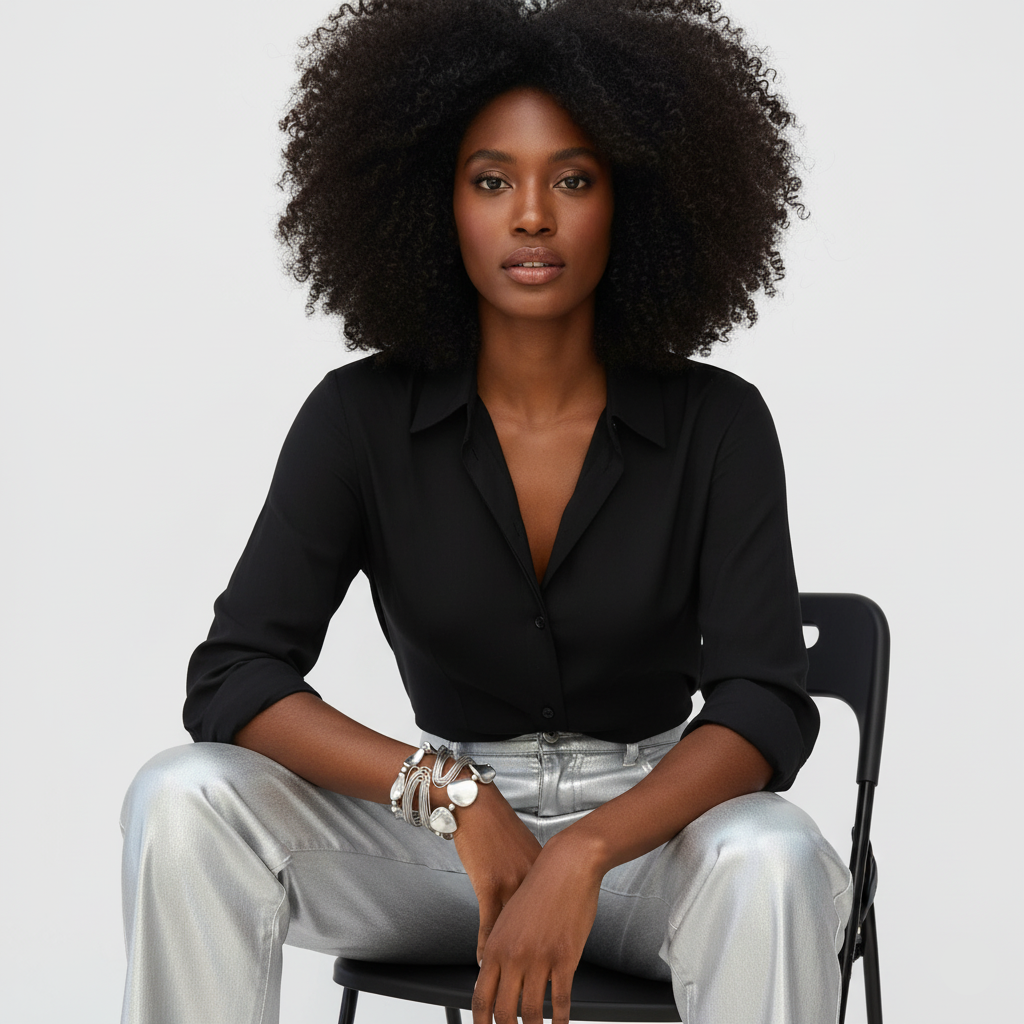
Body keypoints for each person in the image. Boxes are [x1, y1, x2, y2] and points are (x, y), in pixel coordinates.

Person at [119, 2, 854, 1022]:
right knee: (183, 794)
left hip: (653, 852)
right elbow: (235, 676)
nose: (532, 217)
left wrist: (589, 849)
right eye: (491, 180)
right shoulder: (358, 419)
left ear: (631, 202)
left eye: (574, 178)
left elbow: (764, 703)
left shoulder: (716, 423)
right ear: (437, 204)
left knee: (773, 853)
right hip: (436, 851)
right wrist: (452, 794)